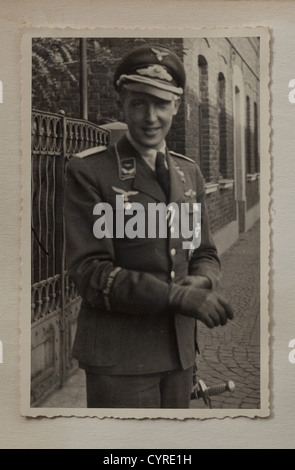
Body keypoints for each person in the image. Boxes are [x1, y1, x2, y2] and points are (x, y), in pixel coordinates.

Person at [64, 44, 234, 409]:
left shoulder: (189, 173)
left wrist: (202, 280)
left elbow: (203, 251)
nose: (150, 117)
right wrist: (177, 296)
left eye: (161, 103)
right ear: (121, 104)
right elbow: (90, 272)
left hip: (179, 352)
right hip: (120, 359)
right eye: (139, 103)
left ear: (176, 105)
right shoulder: (90, 171)